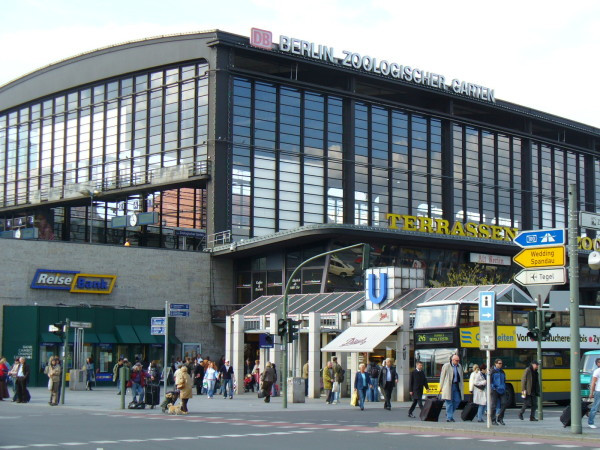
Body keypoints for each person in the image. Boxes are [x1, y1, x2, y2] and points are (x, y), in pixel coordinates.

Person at [439, 354, 463, 422]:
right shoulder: (446, 366)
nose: (457, 362)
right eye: (456, 360)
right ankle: (449, 417)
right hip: (448, 386)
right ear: (452, 360)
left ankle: (449, 414)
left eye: (458, 360)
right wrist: (441, 387)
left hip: (456, 385)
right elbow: (442, 376)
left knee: (457, 400)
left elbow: (461, 376)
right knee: (449, 402)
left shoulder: (459, 366)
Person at [490, 358, 507, 425]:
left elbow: (504, 380)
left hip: (502, 389)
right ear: (495, 364)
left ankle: (500, 418)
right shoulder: (492, 371)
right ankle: (493, 420)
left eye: (501, 363)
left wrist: (504, 387)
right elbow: (490, 381)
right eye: (499, 363)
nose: (501, 365)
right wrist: (493, 388)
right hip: (495, 390)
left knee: (504, 403)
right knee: (493, 405)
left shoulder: (502, 372)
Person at [587, 357, 600, 429]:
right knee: (595, 407)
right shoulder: (597, 371)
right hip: (598, 391)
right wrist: (591, 392)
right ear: (597, 364)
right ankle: (590, 422)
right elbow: (593, 382)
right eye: (599, 362)